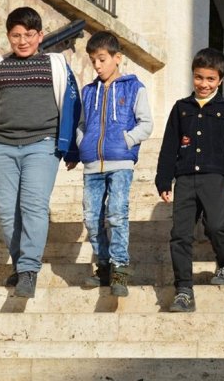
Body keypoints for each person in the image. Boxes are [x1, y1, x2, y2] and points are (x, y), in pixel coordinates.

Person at [0, 6, 81, 298]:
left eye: (29, 35)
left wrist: (71, 147)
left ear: (40, 35)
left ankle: (29, 270)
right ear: (8, 36)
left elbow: (72, 103)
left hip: (42, 144)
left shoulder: (55, 64)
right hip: (4, 146)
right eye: (16, 35)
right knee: (7, 212)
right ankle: (21, 264)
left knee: (32, 205)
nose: (22, 41)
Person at [155, 48, 224, 313]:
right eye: (198, 77)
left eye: (210, 79)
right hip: (184, 179)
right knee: (180, 235)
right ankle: (184, 290)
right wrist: (163, 180)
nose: (203, 84)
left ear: (220, 80)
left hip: (214, 178)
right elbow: (169, 147)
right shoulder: (181, 108)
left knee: (217, 226)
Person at [76, 31, 153, 297]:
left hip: (120, 163)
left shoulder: (134, 87)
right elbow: (82, 124)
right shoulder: (89, 92)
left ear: (117, 58)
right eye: (93, 61)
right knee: (91, 218)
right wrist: (83, 143)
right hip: (92, 165)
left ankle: (120, 267)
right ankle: (104, 266)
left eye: (102, 59)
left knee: (117, 214)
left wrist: (126, 140)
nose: (97, 66)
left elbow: (146, 124)